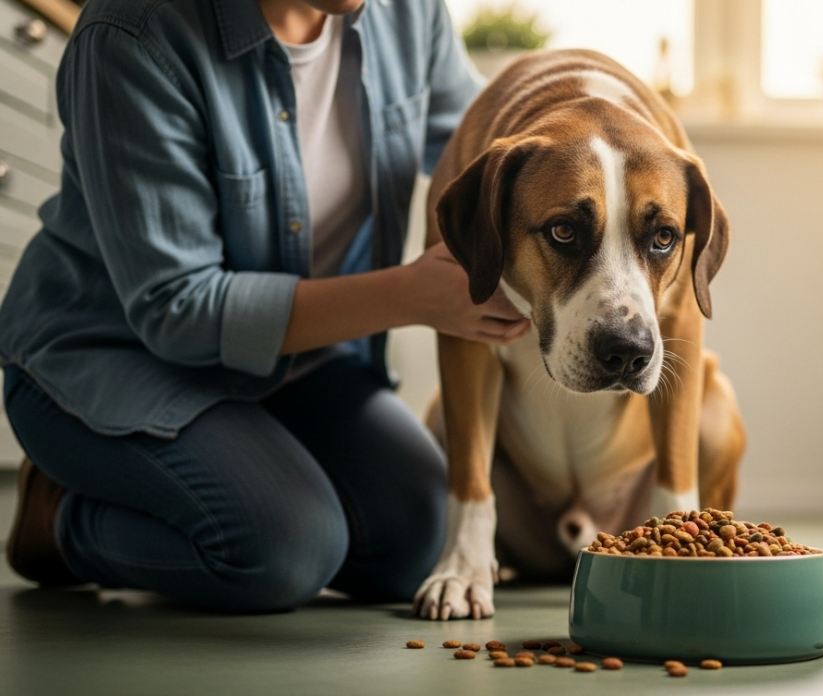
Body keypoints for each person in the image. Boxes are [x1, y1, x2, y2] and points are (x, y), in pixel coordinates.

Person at [0, 0, 529, 613]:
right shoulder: (131, 33)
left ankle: (248, 470)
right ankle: (60, 522)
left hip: (299, 361)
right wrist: (410, 294)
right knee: (286, 549)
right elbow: (178, 308)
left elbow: (479, 140)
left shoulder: (408, 13)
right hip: (114, 361)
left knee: (419, 539)